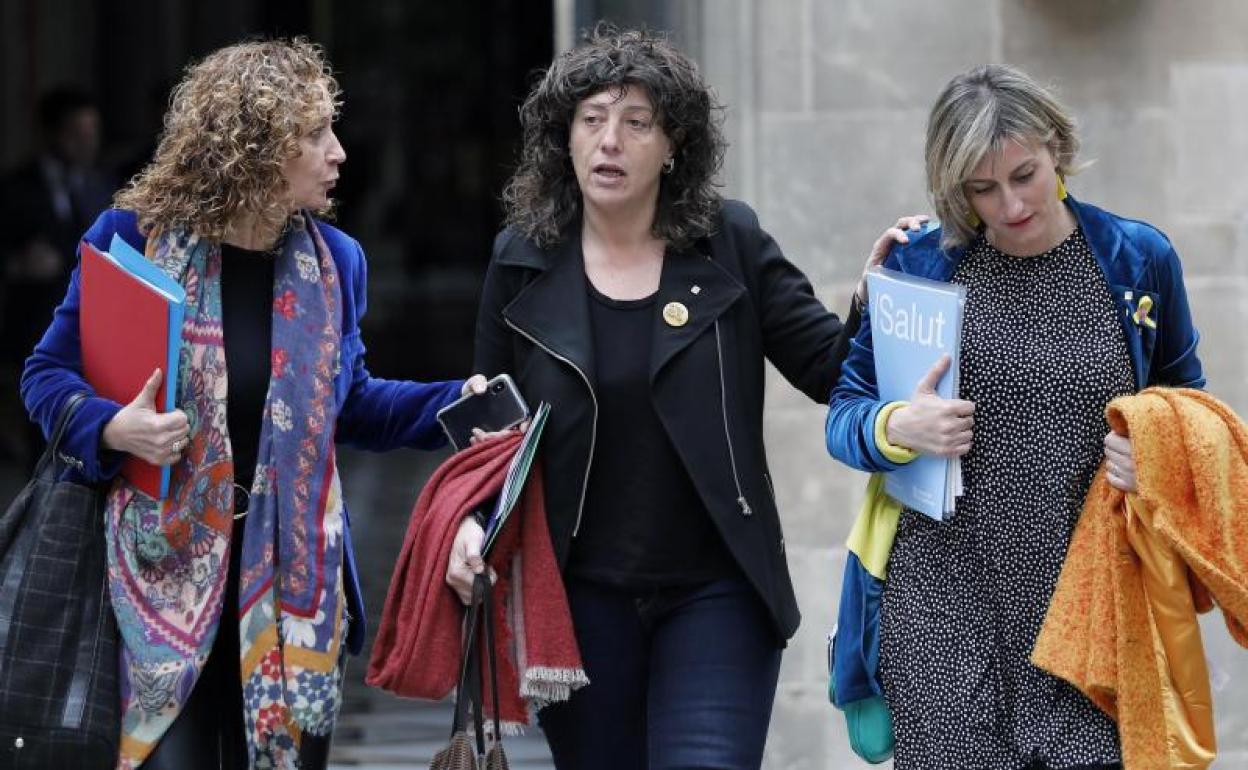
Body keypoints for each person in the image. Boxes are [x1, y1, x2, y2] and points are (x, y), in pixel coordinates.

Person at [444, 24, 919, 769]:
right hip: (577, 598)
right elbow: (492, 434)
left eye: (637, 123)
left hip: (717, 590)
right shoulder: (521, 260)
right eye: (592, 120)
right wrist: (470, 525)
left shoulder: (731, 242)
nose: (610, 142)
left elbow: (832, 369)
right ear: (564, 138)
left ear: (673, 147)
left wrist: (876, 299)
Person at [21, 39, 487, 770]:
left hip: (292, 595)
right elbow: (47, 374)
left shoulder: (336, 262)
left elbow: (351, 405)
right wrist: (113, 427)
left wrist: (457, 403)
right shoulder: (132, 240)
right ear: (256, 147)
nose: (338, 152)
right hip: (158, 583)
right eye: (316, 133)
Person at [825, 64, 1205, 770]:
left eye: (1024, 175)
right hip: (941, 605)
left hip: (1090, 606)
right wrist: (897, 427)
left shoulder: (1136, 260)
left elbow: (1189, 408)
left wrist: (1156, 451)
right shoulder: (921, 263)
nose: (1010, 204)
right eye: (982, 188)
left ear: (1056, 147)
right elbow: (844, 413)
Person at [0, 86, 115, 467]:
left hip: (96, 323)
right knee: (42, 418)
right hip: (36, 318)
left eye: (92, 133)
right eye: (75, 134)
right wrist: (16, 264)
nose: (86, 144)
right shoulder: (17, 188)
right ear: (51, 133)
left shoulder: (102, 185)